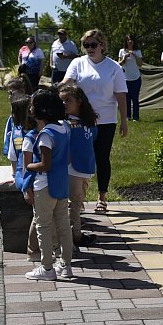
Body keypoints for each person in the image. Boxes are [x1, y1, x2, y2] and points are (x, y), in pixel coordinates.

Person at [62, 29, 128, 214]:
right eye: (86, 45)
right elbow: (67, 83)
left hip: (106, 120)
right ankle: (77, 199)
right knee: (76, 157)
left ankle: (102, 197)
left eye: (93, 44)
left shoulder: (113, 67)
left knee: (102, 158)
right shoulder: (78, 63)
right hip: (81, 119)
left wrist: (124, 121)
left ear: (102, 45)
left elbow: (121, 95)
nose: (89, 48)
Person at [22, 89, 74, 281]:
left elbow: (45, 164)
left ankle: (47, 268)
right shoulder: (65, 128)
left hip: (45, 185)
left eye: (33, 104)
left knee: (43, 225)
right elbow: (67, 157)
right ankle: (66, 265)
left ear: (42, 110)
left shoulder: (45, 135)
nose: (31, 108)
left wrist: (29, 165)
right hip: (62, 182)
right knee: (63, 225)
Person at [59, 85, 99, 247]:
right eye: (61, 101)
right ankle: (74, 237)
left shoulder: (89, 122)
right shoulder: (64, 124)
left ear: (80, 102)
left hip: (86, 166)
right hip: (72, 168)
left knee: (78, 202)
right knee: (73, 204)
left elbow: (92, 141)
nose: (64, 104)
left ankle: (74, 234)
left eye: (68, 100)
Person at [118, 35, 143, 121]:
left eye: (131, 40)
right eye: (128, 40)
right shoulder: (122, 51)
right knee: (127, 99)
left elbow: (140, 64)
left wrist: (134, 55)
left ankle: (136, 116)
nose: (130, 41)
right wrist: (124, 58)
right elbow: (119, 64)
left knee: (135, 98)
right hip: (125, 78)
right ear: (126, 41)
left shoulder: (138, 51)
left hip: (136, 78)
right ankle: (128, 116)